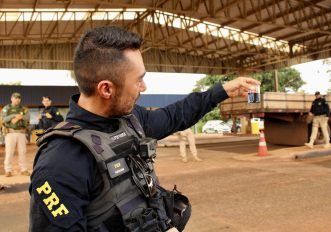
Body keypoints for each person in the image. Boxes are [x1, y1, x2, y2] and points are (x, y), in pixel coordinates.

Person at [29, 26, 260, 232]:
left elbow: (174, 116)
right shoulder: (60, 162)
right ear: (106, 89)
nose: (144, 87)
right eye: (138, 80)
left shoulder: (129, 118)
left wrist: (223, 91)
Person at [0, 92, 30, 177]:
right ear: (11, 98)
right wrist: (14, 115)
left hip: (21, 132)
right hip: (10, 132)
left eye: (18, 98)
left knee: (22, 152)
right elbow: (3, 119)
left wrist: (21, 117)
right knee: (9, 152)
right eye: (15, 98)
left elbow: (27, 117)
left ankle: (23, 169)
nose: (17, 99)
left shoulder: (23, 109)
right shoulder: (6, 108)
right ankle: (8, 170)